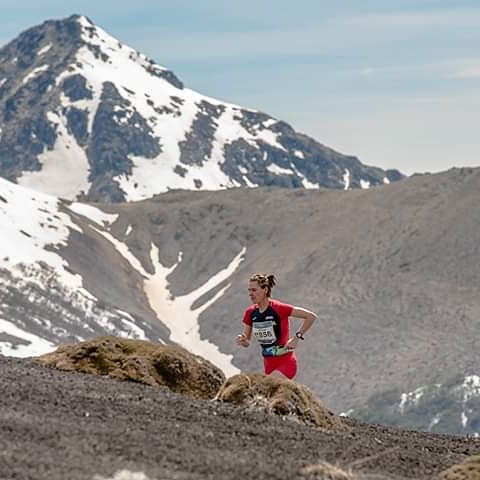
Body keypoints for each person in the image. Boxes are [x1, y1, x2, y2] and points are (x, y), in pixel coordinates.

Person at [236, 273, 317, 379]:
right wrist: (242, 340)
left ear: (265, 290)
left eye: (254, 290)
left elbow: (311, 316)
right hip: (268, 365)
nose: (250, 294)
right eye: (249, 290)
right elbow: (247, 342)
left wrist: (296, 337)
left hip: (286, 363)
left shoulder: (279, 308)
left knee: (266, 386)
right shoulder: (250, 313)